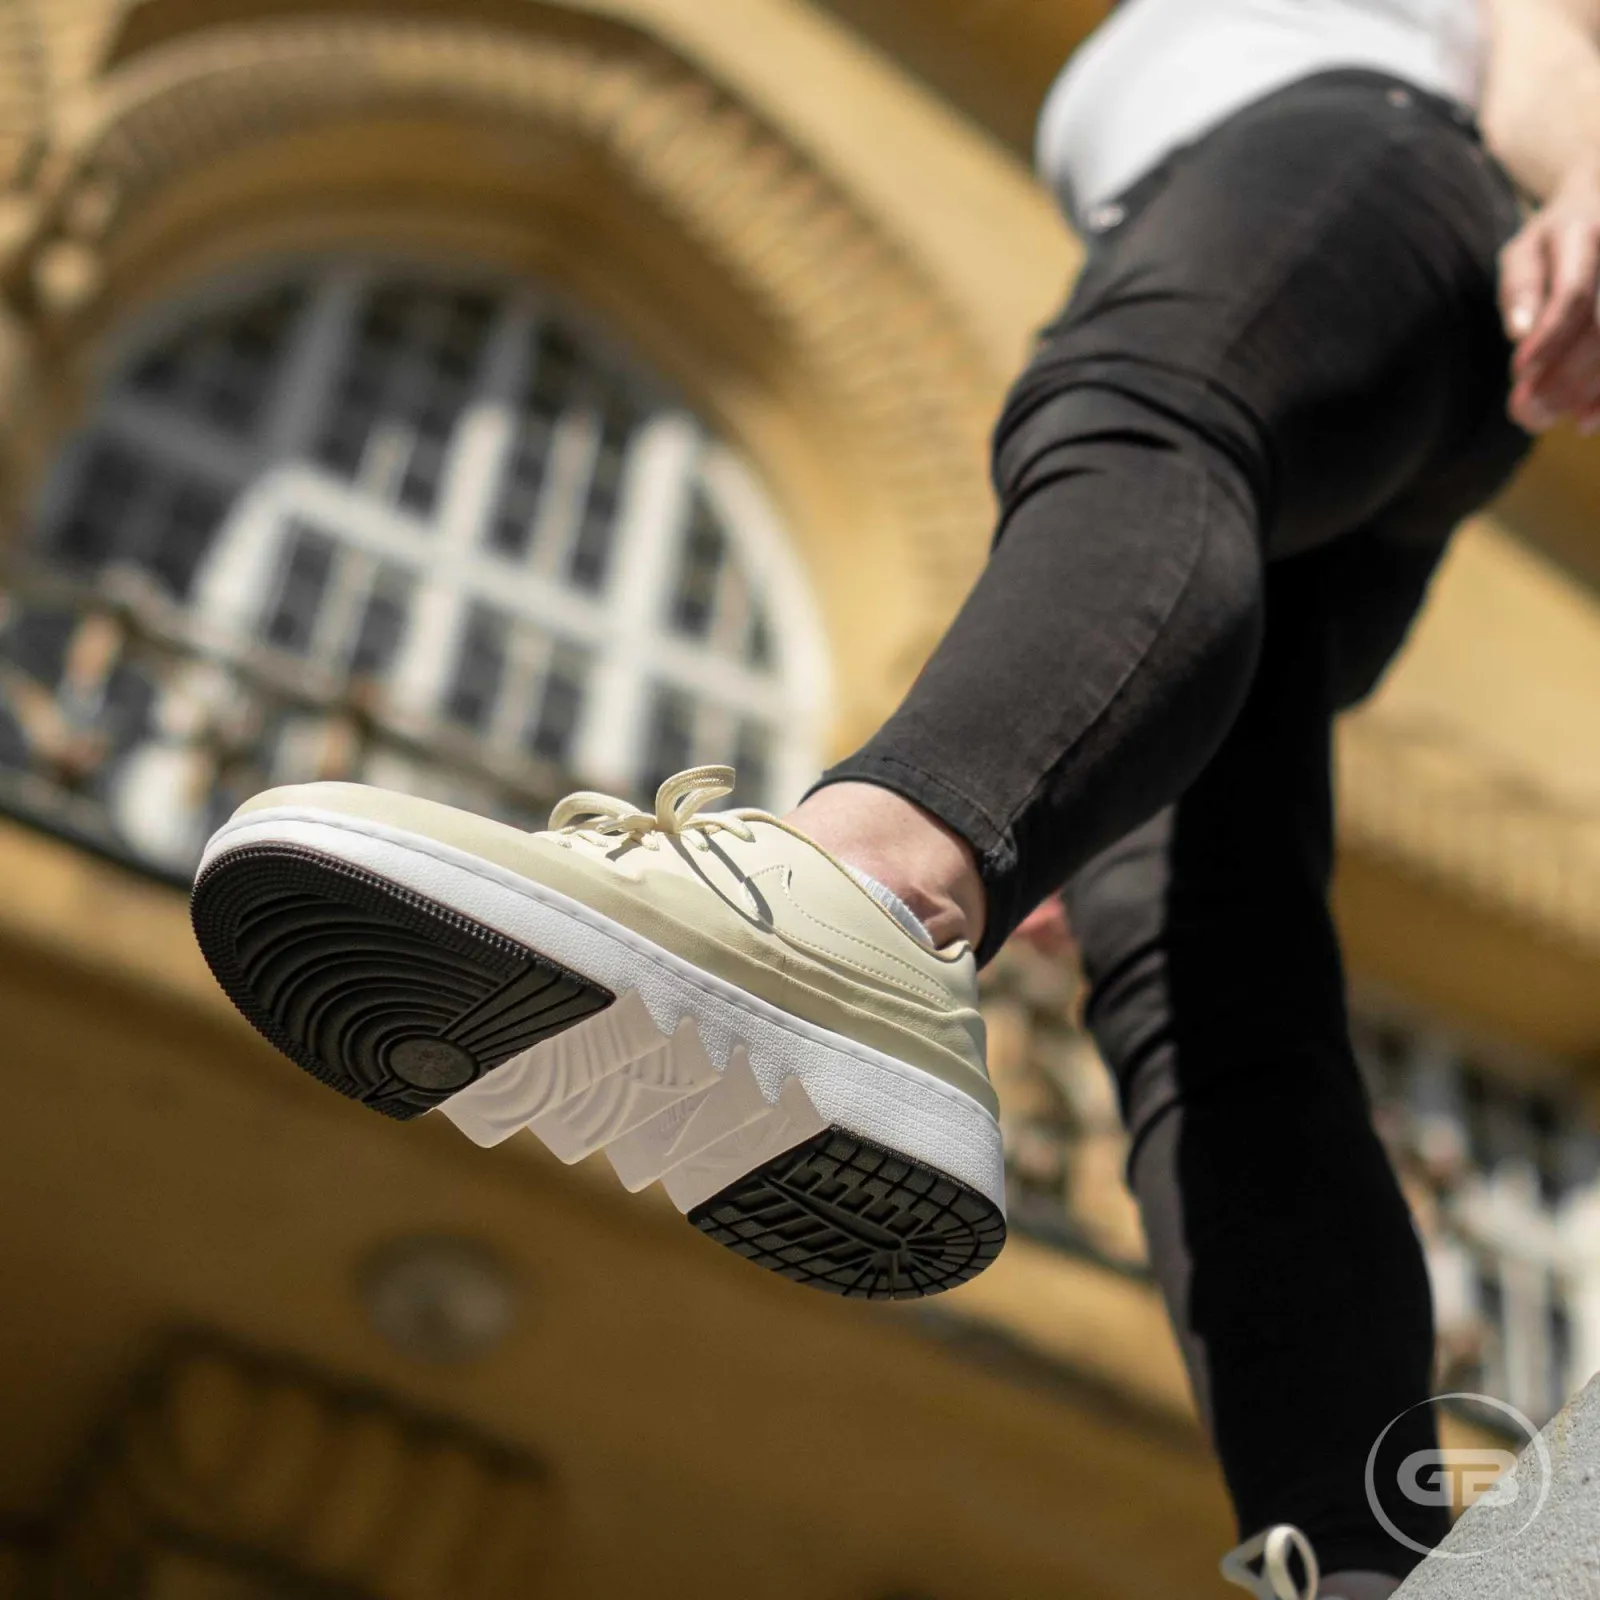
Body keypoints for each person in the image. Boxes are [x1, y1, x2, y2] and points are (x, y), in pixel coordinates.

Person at [192, 0, 1600, 1593]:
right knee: (1195, 938)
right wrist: (1073, 761)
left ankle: (857, 897)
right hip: (1387, 311)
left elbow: (1545, 26)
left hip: (1365, 172)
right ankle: (1364, 1542)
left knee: (1137, 417)